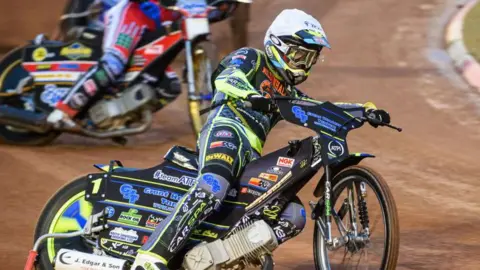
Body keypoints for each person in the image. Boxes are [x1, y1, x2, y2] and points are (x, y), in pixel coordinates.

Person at [131, 8, 391, 270]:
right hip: (227, 129)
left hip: (252, 155)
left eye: (310, 59)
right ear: (277, 45)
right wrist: (250, 94)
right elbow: (226, 78)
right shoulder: (251, 58)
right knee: (212, 186)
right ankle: (152, 256)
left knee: (292, 215)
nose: (303, 64)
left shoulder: (288, 92)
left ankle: (220, 257)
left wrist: (363, 110)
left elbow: (320, 108)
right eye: (299, 55)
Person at [46, 0, 182, 127]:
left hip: (154, 29)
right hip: (132, 17)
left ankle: (113, 117)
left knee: (169, 86)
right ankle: (63, 111)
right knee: (113, 63)